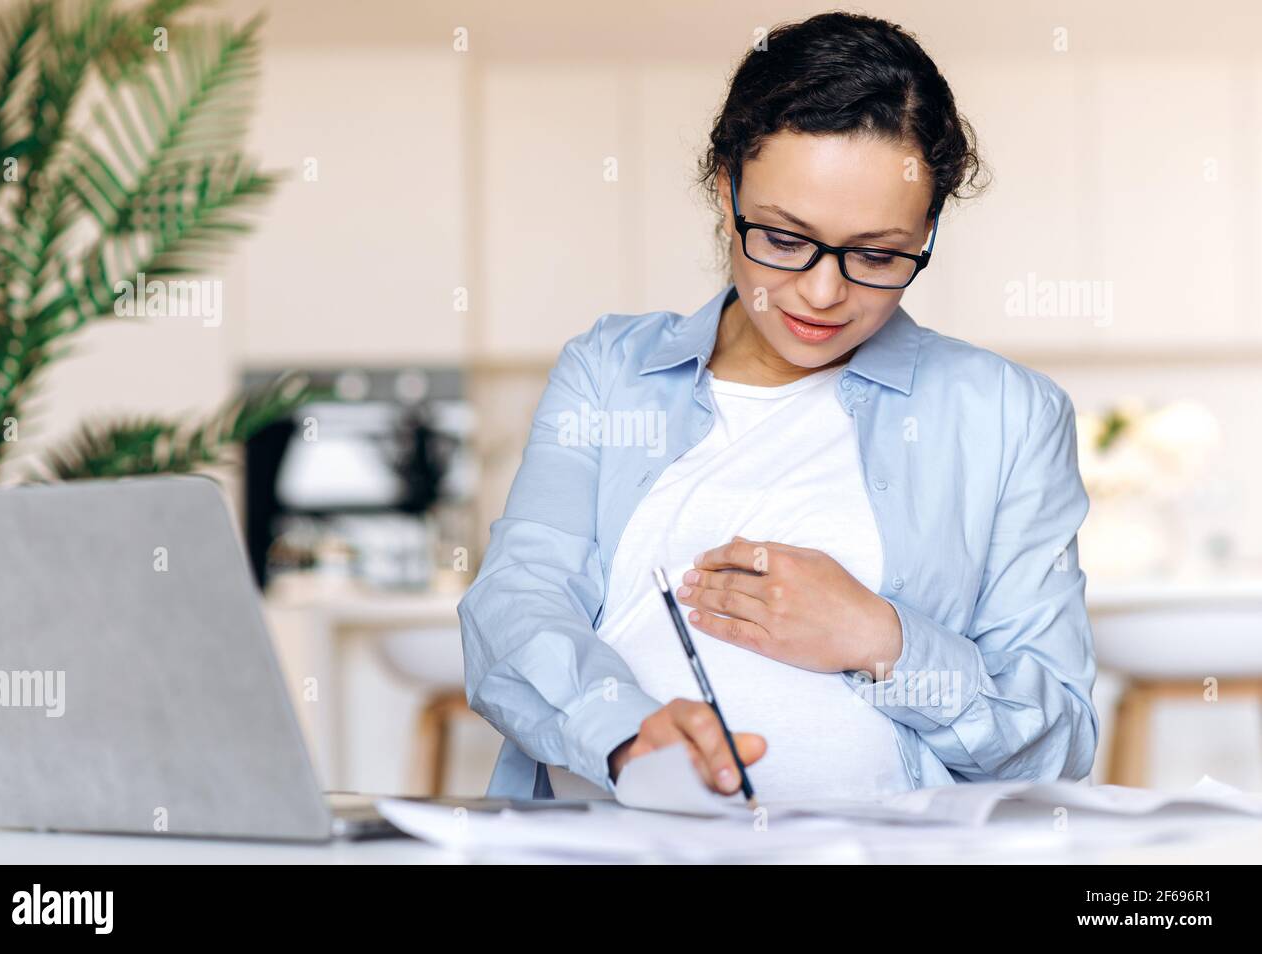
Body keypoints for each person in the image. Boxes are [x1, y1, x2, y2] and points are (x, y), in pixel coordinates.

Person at [459, 10, 1098, 803]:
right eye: (787, 240)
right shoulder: (610, 371)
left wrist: (880, 638)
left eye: (877, 254)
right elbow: (515, 605)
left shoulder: (1007, 416)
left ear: (928, 228)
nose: (824, 293)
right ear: (726, 190)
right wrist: (621, 730)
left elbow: (1057, 741)